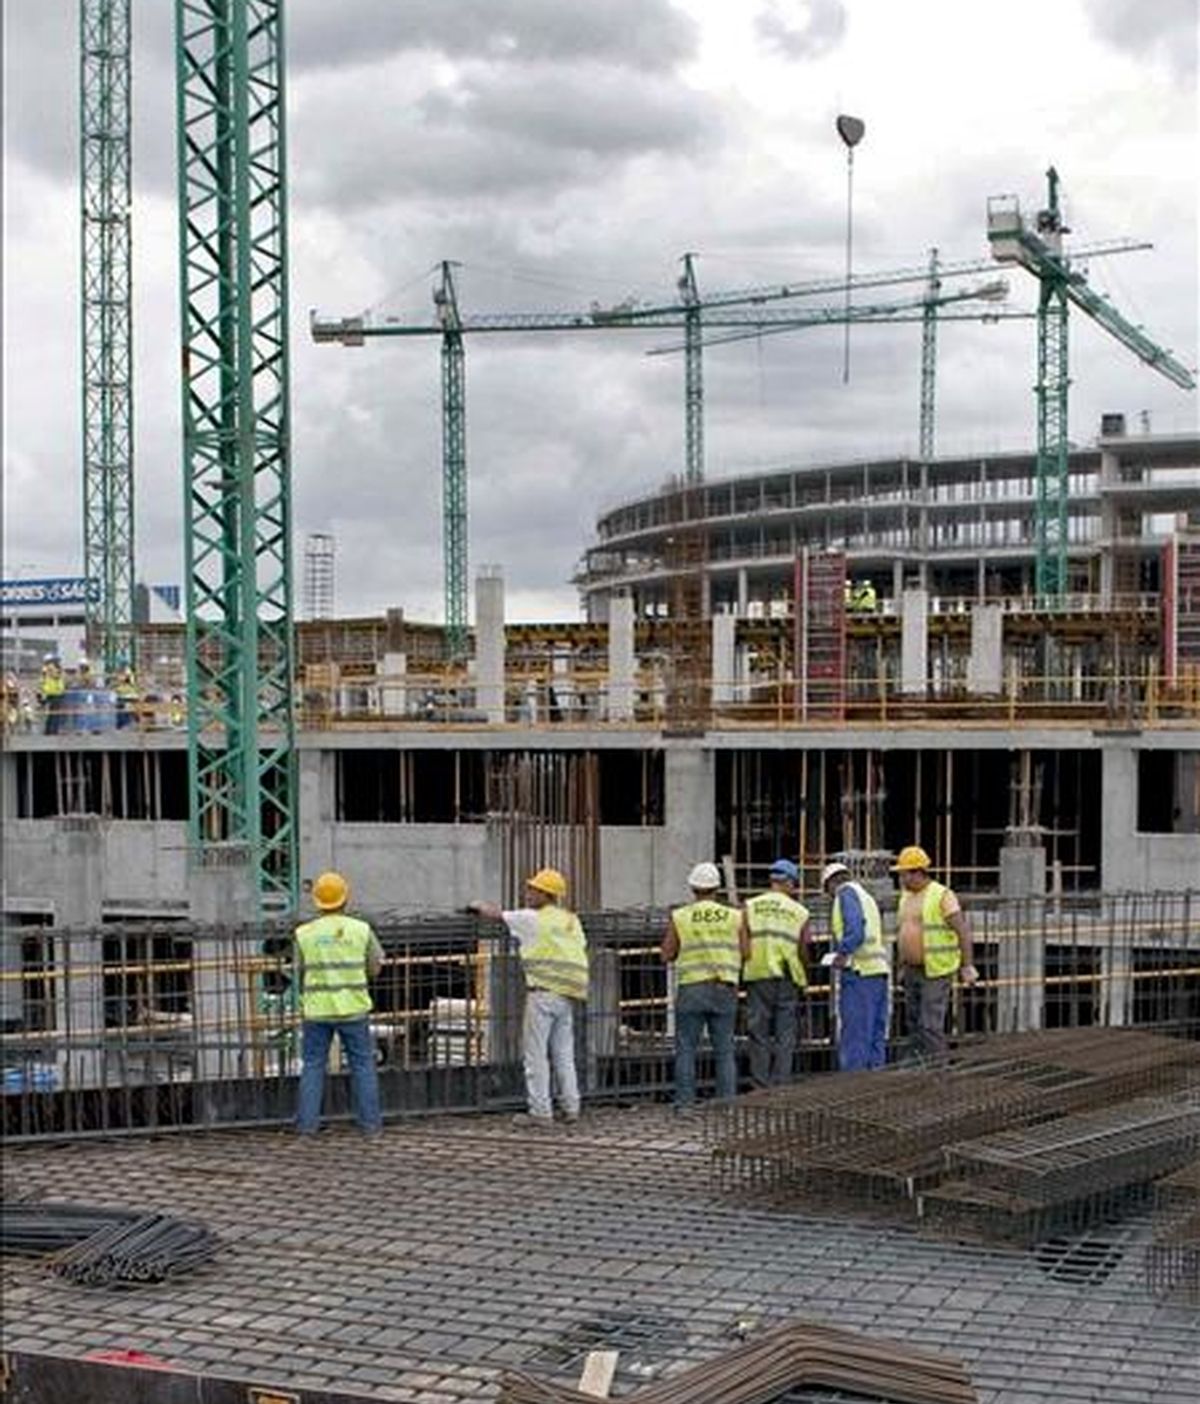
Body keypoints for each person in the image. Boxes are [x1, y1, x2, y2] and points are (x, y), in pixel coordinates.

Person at [469, 868, 588, 1129]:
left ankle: (540, 1111)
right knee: (563, 1054)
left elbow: (496, 914)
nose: (528, 893)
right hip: (568, 994)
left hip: (542, 994)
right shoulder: (571, 920)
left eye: (532, 889)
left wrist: (476, 906)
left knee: (535, 1055)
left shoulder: (532, 918)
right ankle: (571, 1107)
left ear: (546, 894)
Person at [294, 870, 384, 1137]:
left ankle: (307, 1127)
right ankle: (370, 1126)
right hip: (353, 1009)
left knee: (312, 1066)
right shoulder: (361, 930)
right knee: (363, 1065)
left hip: (317, 1010)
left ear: (317, 901)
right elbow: (376, 966)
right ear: (346, 898)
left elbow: (299, 971)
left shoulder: (304, 933)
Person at [662, 862, 748, 1112]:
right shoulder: (735, 916)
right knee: (724, 1049)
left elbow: (667, 953)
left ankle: (686, 1105)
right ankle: (727, 1105)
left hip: (692, 988)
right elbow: (746, 951)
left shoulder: (681, 916)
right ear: (717, 888)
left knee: (687, 1049)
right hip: (724, 987)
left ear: (692, 887)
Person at [893, 845, 977, 1063]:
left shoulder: (941, 895)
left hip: (936, 969)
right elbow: (903, 930)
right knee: (913, 1020)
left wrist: (967, 966)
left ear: (917, 872)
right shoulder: (906, 897)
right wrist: (902, 965)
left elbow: (962, 930)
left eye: (903, 873)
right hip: (913, 969)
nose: (901, 878)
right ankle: (920, 1062)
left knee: (930, 1023)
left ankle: (938, 1069)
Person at [741, 858, 812, 1087]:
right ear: (789, 882)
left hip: (757, 974)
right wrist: (806, 972)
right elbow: (803, 948)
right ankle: (781, 1084)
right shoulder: (800, 911)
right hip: (786, 976)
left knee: (758, 1033)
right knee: (785, 1034)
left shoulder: (750, 906)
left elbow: (742, 942)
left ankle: (760, 1084)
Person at [821, 861, 890, 1071]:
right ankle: (876, 1091)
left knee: (855, 1038)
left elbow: (856, 932)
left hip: (860, 974)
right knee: (875, 1038)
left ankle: (853, 1089)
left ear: (831, 884)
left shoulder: (845, 894)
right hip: (878, 973)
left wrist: (842, 953)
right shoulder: (866, 897)